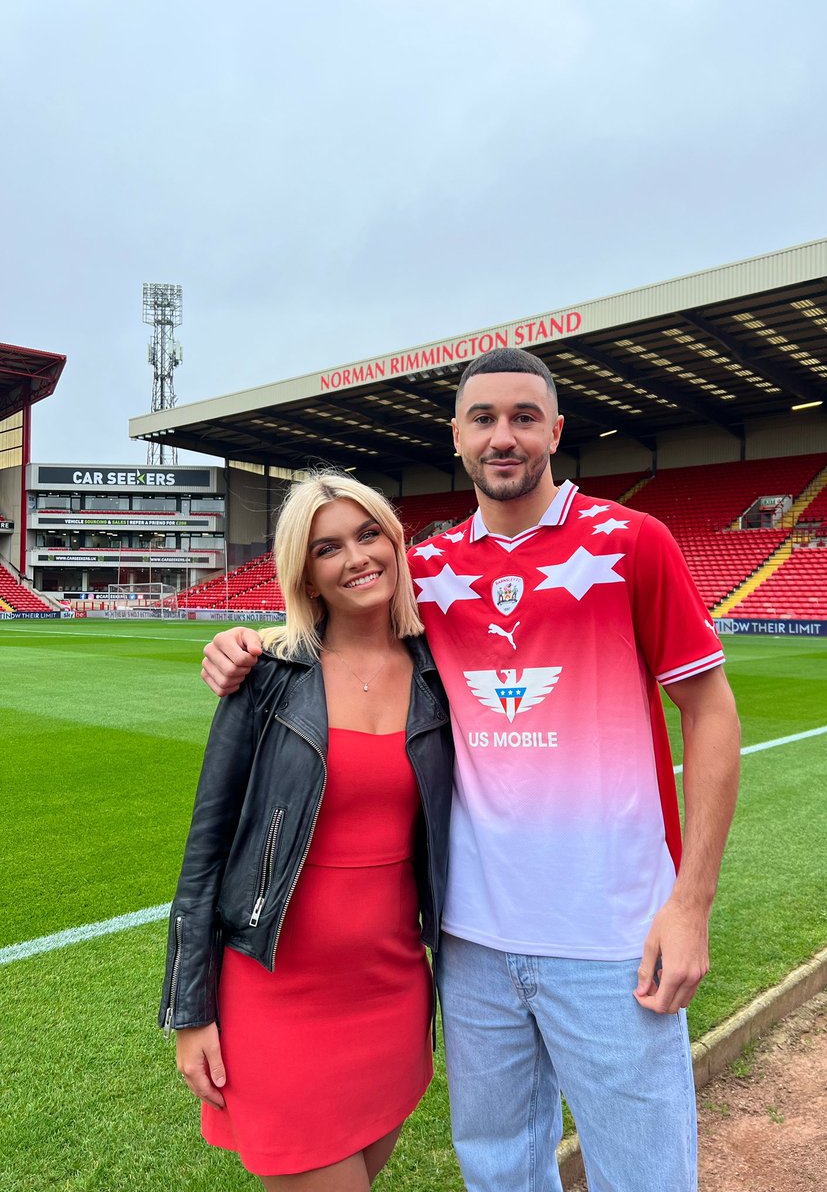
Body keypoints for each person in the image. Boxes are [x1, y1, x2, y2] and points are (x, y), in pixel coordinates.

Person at [202, 349, 741, 1192]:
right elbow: (341, 629)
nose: (504, 436)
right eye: (483, 418)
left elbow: (710, 712)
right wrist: (246, 645)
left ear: (556, 430)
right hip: (472, 943)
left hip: (611, 938)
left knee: (646, 1177)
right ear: (456, 435)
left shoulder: (634, 542)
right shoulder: (434, 574)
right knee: (498, 1174)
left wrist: (692, 902)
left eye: (525, 417)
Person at [159, 471, 453, 1192]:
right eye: (329, 548)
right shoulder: (266, 675)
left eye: (368, 534)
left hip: (391, 989)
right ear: (308, 576)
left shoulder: (439, 673)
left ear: (395, 541)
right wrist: (188, 1011)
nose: (356, 557)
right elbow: (206, 849)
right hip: (276, 991)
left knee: (367, 1165)